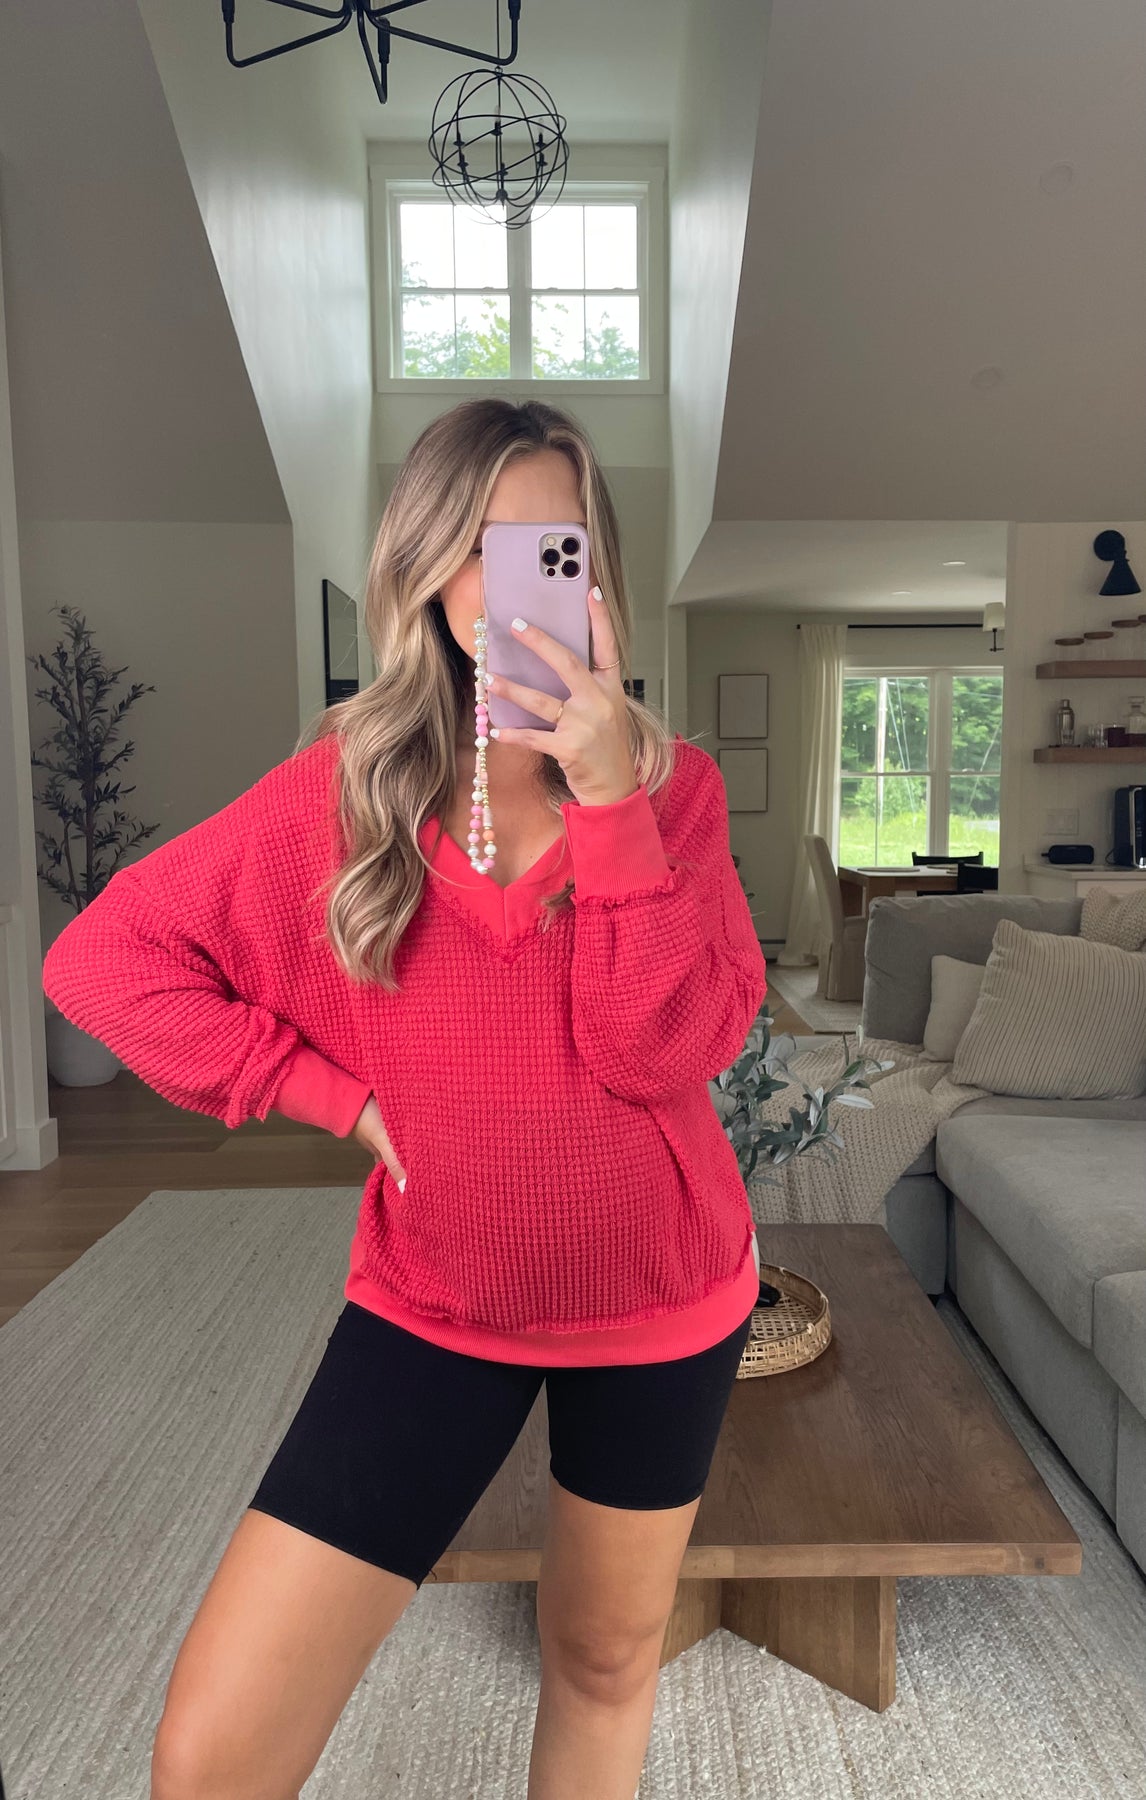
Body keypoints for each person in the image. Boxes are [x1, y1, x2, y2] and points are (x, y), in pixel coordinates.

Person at [42, 396, 768, 1800]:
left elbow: (661, 1050)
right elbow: (103, 962)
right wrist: (328, 1095)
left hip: (664, 1294)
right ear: (427, 569)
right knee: (210, 1755)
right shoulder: (346, 789)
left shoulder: (671, 792)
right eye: (481, 547)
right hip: (434, 1300)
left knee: (604, 1660)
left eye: (550, 546)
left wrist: (608, 798)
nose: (513, 582)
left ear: (594, 572)